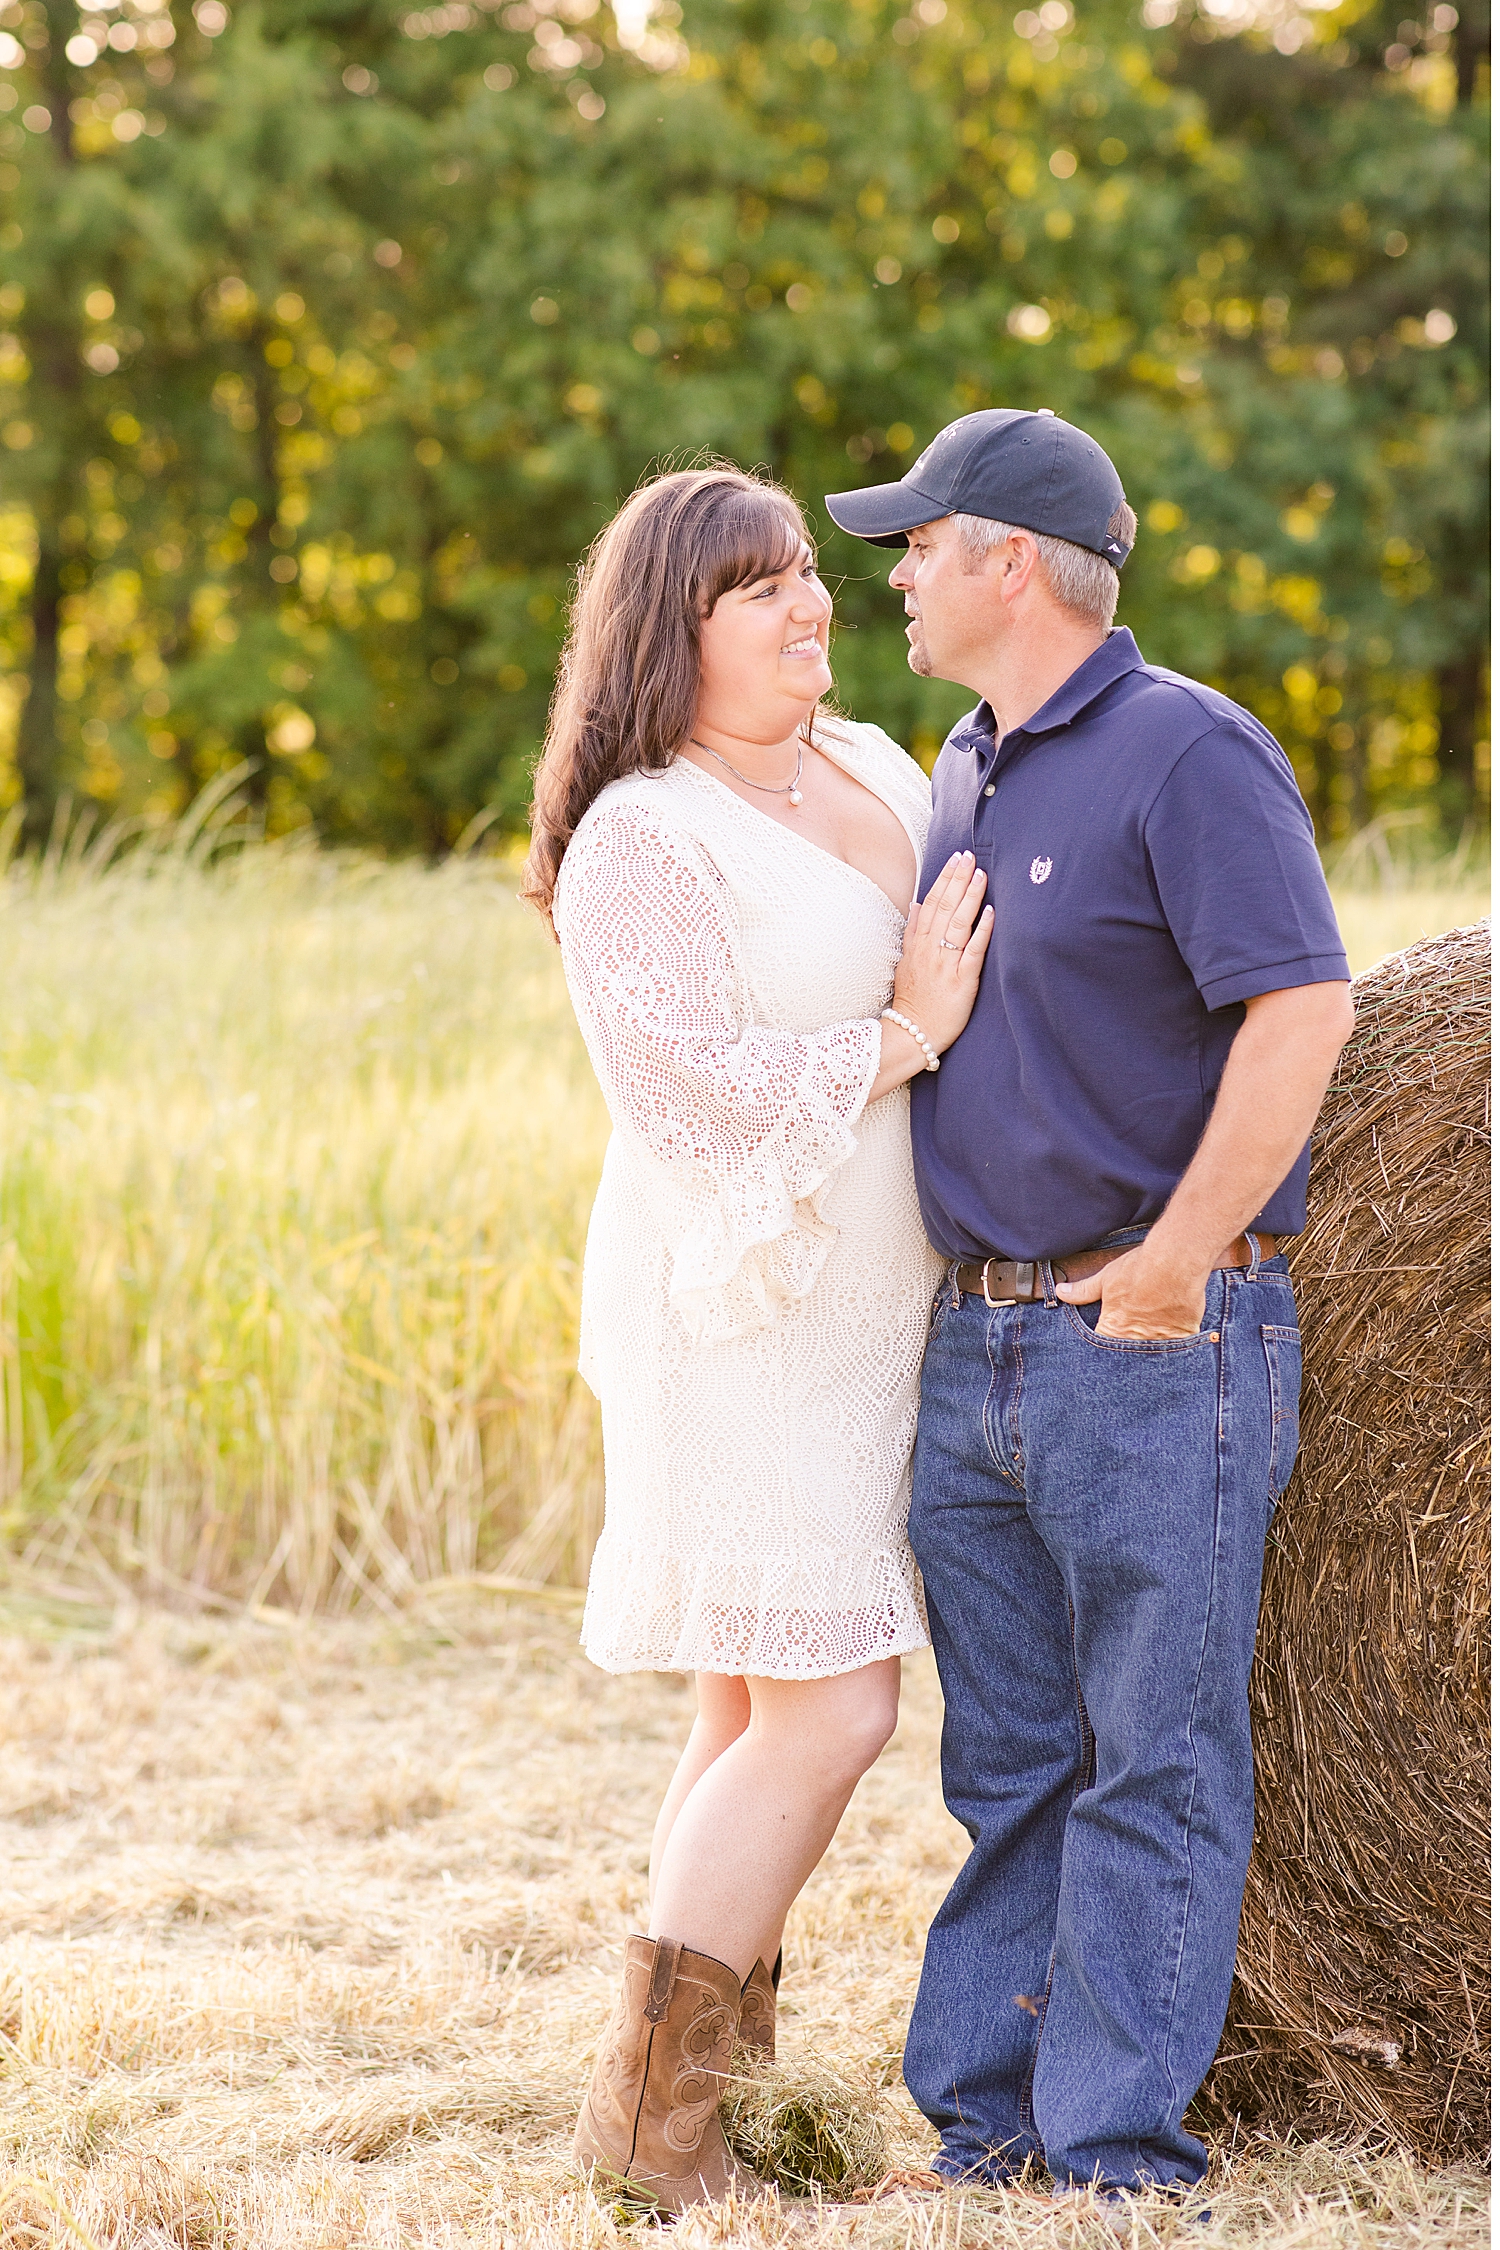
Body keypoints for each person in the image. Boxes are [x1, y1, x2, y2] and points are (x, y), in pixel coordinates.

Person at [825, 410, 1354, 2208]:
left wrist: (1175, 1260)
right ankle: (987, 2133)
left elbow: (1302, 1009)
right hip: (974, 1348)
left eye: (916, 541)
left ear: (1012, 562)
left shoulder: (1187, 753)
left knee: (1158, 1760)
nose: (891, 571)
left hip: (1148, 1344)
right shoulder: (963, 766)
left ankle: (1116, 2161)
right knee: (1013, 1766)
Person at [523, 464, 994, 2215]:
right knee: (835, 1705)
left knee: (747, 1698)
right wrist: (908, 1032)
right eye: (756, 590)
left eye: (807, 572)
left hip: (877, 1316)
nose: (810, 604)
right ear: (670, 634)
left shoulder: (874, 760)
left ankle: (728, 2094)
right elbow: (689, 1103)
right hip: (735, 1317)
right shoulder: (639, 838)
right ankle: (647, 2129)